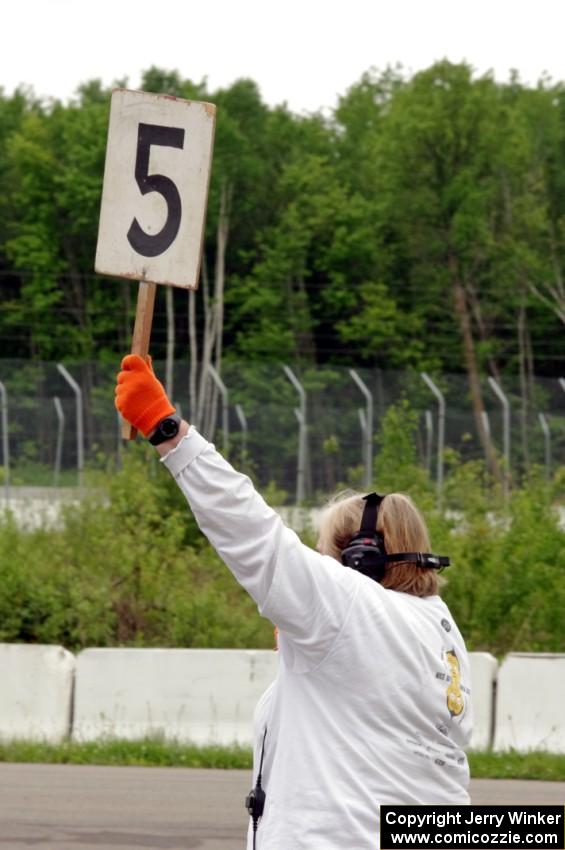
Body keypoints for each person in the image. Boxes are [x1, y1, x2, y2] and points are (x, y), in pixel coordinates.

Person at [115, 354, 473, 850]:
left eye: (324, 552)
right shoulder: (441, 631)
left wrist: (169, 432)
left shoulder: (351, 603)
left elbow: (253, 534)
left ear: (359, 559)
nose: (317, 563)